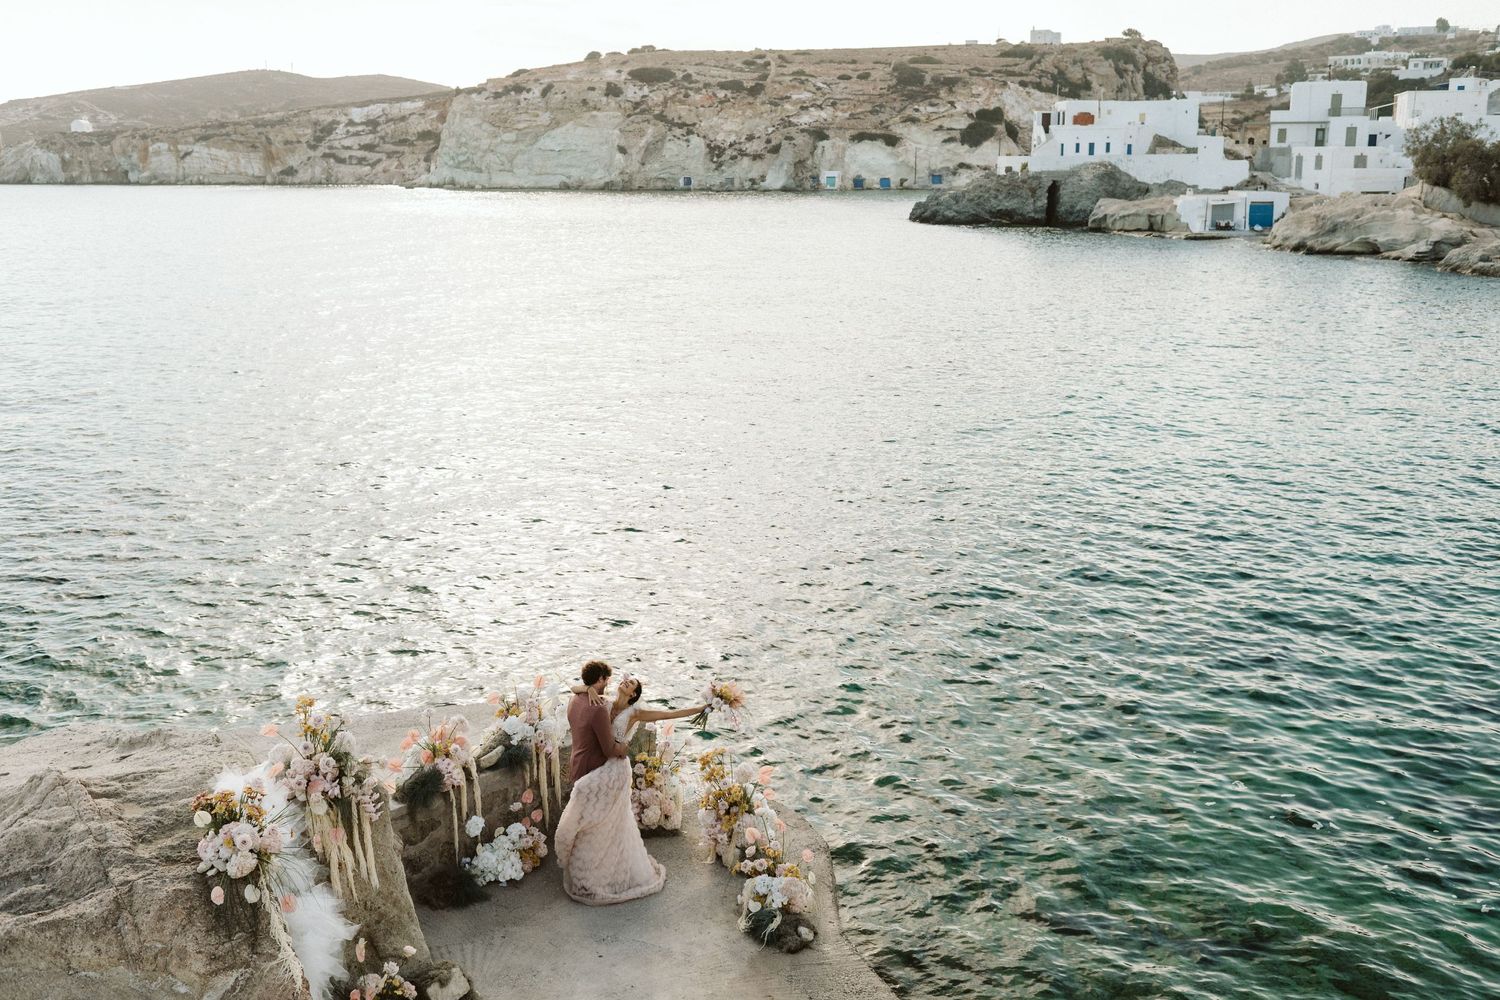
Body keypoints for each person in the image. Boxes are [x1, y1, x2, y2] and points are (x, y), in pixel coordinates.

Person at [554, 659, 698, 905]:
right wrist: (588, 688)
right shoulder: (604, 702)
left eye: (630, 683)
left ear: (633, 694)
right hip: (603, 765)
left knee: (609, 820)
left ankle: (603, 870)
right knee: (601, 821)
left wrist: (701, 708)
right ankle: (594, 863)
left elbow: (669, 714)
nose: (624, 681)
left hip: (616, 770)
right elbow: (574, 688)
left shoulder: (635, 713)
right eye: (625, 679)